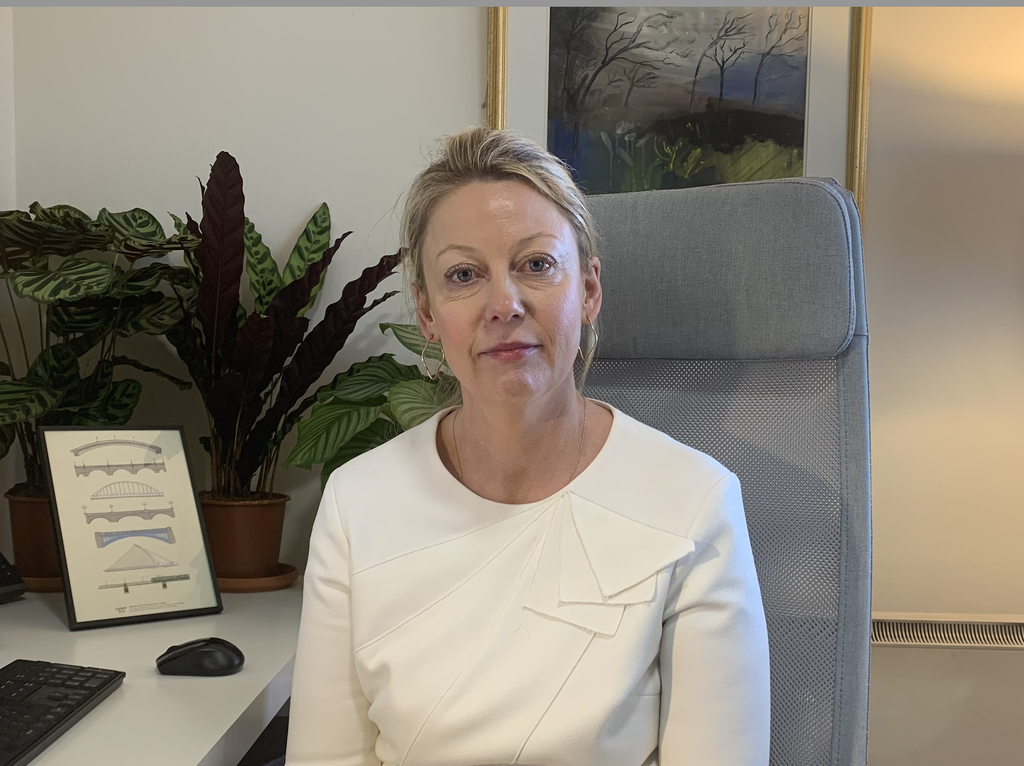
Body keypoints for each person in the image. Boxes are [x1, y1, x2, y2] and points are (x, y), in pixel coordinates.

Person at [285, 128, 770, 766]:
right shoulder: (357, 505)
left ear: (589, 290)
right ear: (428, 315)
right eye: (464, 275)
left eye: (536, 264)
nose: (504, 304)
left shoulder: (694, 504)